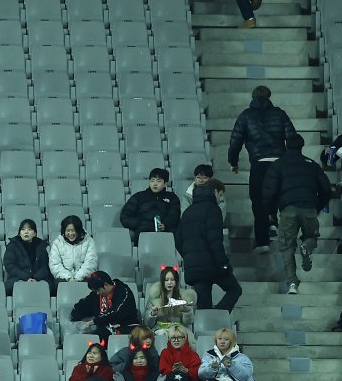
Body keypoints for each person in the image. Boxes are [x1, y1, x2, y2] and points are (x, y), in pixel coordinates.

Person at [227, 85, 296, 252]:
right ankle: (273, 223)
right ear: (269, 97)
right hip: (279, 163)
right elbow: (292, 137)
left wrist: (233, 162)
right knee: (277, 195)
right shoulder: (279, 113)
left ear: (253, 97)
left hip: (259, 162)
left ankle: (262, 242)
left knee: (258, 201)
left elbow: (235, 141)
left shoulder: (246, 116)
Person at [261, 132, 331, 295]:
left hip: (287, 210)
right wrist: (318, 206)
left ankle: (292, 283)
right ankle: (306, 246)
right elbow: (326, 189)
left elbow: (268, 192)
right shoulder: (312, 165)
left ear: (286, 145)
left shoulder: (278, 165)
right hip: (309, 208)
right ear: (302, 146)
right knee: (312, 236)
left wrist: (270, 212)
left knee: (286, 247)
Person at [179, 179, 241, 311]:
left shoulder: (187, 212)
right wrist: (224, 264)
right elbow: (215, 241)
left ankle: (209, 324)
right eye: (220, 194)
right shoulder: (213, 210)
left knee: (204, 307)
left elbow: (179, 239)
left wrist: (189, 257)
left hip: (194, 267)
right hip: (212, 265)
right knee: (235, 290)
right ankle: (219, 315)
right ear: (215, 191)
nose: (220, 198)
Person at [120, 167, 183, 246]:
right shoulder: (138, 196)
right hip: (143, 231)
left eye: (159, 181)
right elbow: (125, 216)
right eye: (152, 181)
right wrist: (140, 224)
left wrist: (166, 224)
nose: (155, 184)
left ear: (165, 183)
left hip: (166, 231)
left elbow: (174, 214)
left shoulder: (172, 197)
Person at [4, 219, 51, 291]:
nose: (26, 232)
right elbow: (10, 266)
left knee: (49, 287)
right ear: (19, 233)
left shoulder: (41, 246)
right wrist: (26, 278)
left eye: (29, 229)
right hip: (18, 278)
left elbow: (45, 266)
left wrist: (35, 278)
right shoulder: (12, 246)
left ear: (34, 233)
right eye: (23, 229)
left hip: (38, 279)